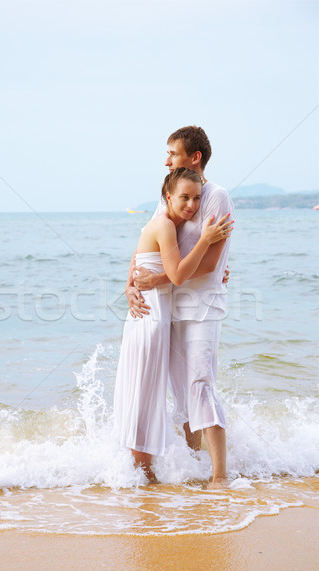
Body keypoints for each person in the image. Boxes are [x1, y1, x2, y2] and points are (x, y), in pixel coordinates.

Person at [125, 126, 235, 489]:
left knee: (201, 382)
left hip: (201, 306)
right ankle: (193, 466)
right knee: (181, 391)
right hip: (170, 308)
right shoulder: (170, 191)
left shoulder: (217, 198)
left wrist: (160, 280)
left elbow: (209, 265)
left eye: (172, 153)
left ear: (194, 157)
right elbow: (147, 242)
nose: (166, 159)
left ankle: (220, 475)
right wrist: (130, 284)